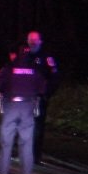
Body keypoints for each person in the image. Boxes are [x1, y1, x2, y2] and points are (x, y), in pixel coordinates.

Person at [0, 46, 46, 174]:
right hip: (28, 106)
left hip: (11, 105)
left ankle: (3, 172)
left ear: (14, 55)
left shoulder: (8, 68)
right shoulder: (35, 69)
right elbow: (43, 87)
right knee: (26, 141)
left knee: (6, 140)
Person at [25, 31, 59, 164]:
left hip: (39, 98)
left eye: (35, 40)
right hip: (24, 98)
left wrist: (46, 94)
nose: (32, 42)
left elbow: (54, 78)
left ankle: (34, 156)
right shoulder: (24, 56)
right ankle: (24, 154)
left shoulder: (46, 58)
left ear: (40, 41)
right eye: (30, 39)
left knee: (37, 127)